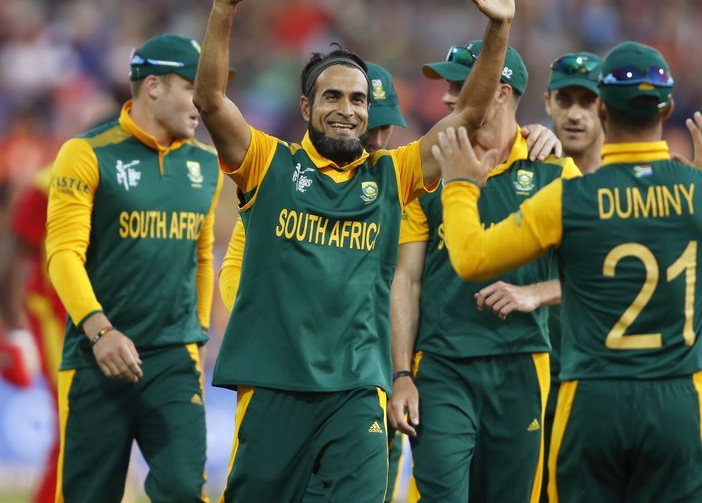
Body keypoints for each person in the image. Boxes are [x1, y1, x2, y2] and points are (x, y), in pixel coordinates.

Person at [192, 0, 517, 501]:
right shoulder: (269, 164)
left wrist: (498, 30)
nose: (347, 110)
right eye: (333, 98)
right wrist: (223, 10)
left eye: (359, 100)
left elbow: (468, 111)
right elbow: (211, 101)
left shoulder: (393, 175)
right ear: (306, 108)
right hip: (274, 388)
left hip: (356, 392)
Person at [432, 40, 702, 502]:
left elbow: (471, 257)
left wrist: (459, 184)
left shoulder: (569, 197)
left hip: (593, 399)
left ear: (601, 107)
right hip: (676, 401)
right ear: (668, 108)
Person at [387, 40, 578, 502]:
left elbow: (597, 277)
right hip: (442, 368)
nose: (449, 98)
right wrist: (401, 375)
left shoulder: (554, 171)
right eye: (449, 87)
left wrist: (534, 293)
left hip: (522, 362)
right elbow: (406, 281)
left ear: (501, 92)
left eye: (460, 85)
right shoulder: (426, 174)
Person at [217, 61, 409, 502]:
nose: (376, 139)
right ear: (308, 107)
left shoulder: (400, 182)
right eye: (334, 99)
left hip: (369, 379)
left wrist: (403, 371)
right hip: (284, 380)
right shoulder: (275, 176)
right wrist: (271, 322)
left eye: (383, 126)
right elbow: (237, 269)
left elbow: (408, 285)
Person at [46, 33, 224, 502]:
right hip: (95, 355)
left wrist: (197, 334)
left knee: (185, 489)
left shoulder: (206, 164)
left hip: (173, 357)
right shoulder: (86, 154)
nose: (204, 102)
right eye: (193, 87)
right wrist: (99, 330)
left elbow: (202, 255)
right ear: (153, 87)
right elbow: (62, 253)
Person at [475, 52, 604, 503]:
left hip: (597, 376)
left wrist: (536, 293)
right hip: (535, 368)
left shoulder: (623, 185)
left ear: (605, 108)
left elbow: (611, 276)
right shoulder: (528, 166)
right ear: (546, 102)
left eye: (587, 101)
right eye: (565, 99)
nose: (574, 113)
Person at [1, 164, 64, 503]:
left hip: (97, 320)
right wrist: (16, 330)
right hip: (54, 319)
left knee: (91, 429)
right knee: (74, 425)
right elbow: (13, 256)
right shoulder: (47, 183)